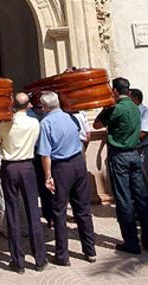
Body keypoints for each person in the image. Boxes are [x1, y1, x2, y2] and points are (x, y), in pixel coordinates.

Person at [38, 91, 96, 265]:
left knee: (59, 211)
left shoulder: (46, 123)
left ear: (45, 107)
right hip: (78, 163)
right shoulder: (72, 118)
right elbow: (83, 138)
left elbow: (45, 154)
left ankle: (63, 255)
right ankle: (90, 250)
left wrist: (48, 176)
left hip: (61, 168)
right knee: (83, 209)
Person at [94, 78, 148, 254]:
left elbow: (97, 124)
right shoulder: (135, 107)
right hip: (134, 155)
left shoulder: (116, 109)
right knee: (141, 197)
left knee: (124, 199)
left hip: (120, 157)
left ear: (115, 91)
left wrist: (105, 106)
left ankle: (131, 242)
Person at [0, 93, 47, 273]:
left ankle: (18, 261)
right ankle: (40, 258)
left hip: (10, 167)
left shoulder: (5, 124)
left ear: (12, 104)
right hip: (27, 167)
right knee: (33, 210)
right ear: (28, 106)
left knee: (12, 211)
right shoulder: (34, 123)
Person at [129, 88, 148, 181]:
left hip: (143, 149)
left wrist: (128, 141)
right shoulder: (130, 112)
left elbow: (143, 132)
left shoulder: (145, 112)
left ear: (135, 98)